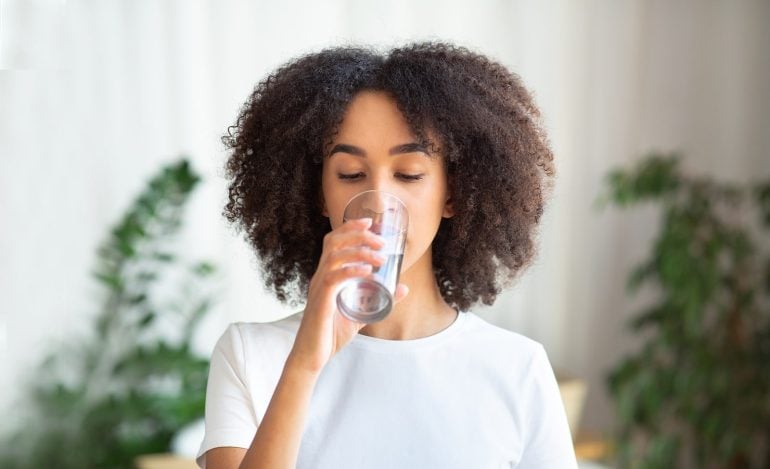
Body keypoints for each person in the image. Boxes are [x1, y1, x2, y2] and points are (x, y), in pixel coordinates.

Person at [197, 41, 578, 469]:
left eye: (409, 174)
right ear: (320, 193)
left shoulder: (518, 369)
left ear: (453, 193)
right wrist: (304, 363)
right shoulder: (251, 356)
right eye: (351, 174)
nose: (378, 201)